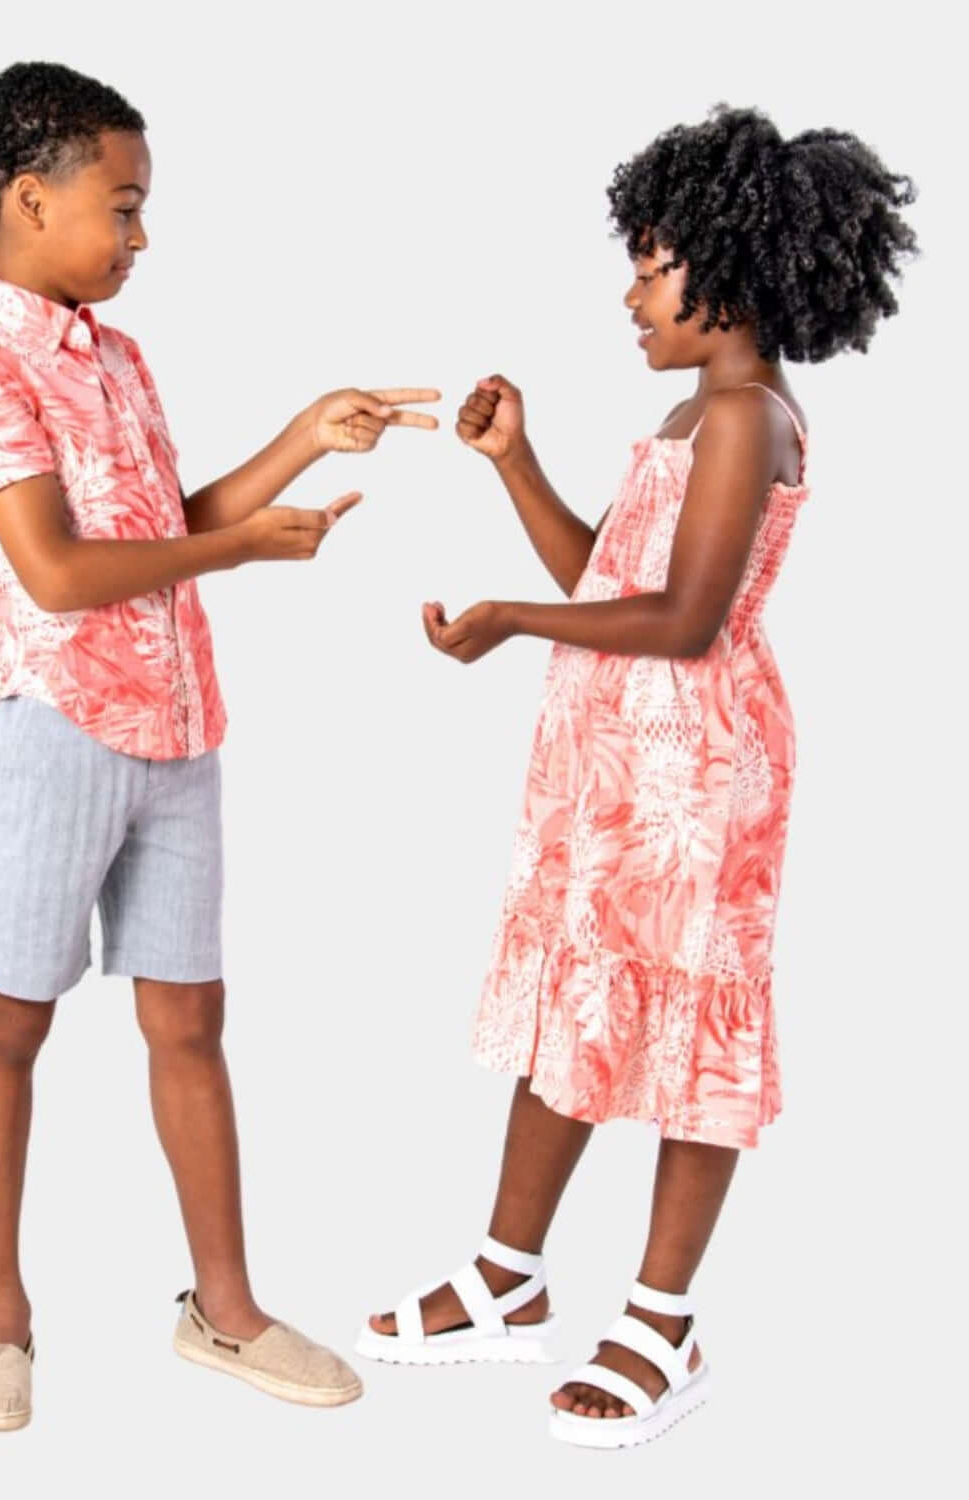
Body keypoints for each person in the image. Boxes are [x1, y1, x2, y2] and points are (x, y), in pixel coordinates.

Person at [356, 102, 918, 1450]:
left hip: (695, 772)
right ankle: (510, 1274)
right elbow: (608, 578)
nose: (632, 288)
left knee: (686, 1029)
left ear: (730, 262)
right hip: (618, 764)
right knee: (581, 1001)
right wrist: (514, 466)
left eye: (653, 259)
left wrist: (503, 626)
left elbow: (684, 622)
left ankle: (665, 1318)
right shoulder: (692, 410)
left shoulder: (746, 418)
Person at [0, 59, 440, 1430]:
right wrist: (245, 552)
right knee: (12, 1020)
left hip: (179, 727)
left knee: (190, 1020)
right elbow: (57, 571)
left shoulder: (119, 358)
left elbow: (171, 517)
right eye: (124, 207)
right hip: (54, 727)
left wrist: (293, 443)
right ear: (31, 200)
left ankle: (225, 1309)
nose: (140, 237)